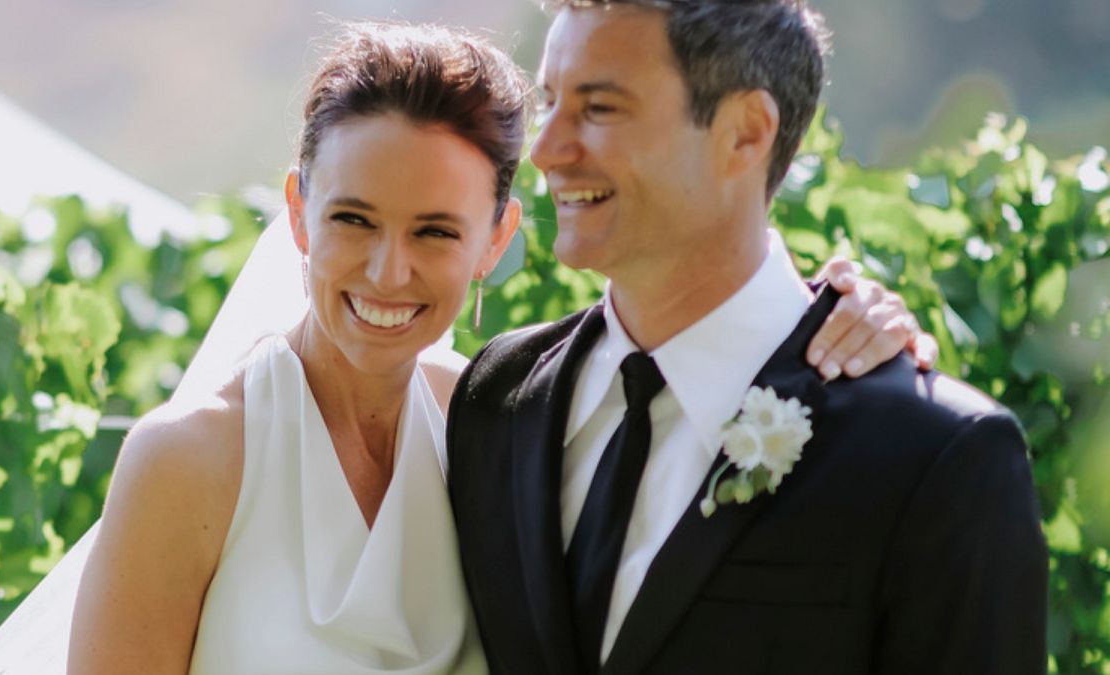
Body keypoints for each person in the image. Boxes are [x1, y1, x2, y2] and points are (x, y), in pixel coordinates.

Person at [65, 20, 929, 675]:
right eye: (351, 218)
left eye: (435, 231)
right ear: (297, 210)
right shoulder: (188, 461)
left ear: (496, 237)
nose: (387, 270)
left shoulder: (498, 422)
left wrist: (857, 322)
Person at [446, 1, 1048, 674]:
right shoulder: (495, 397)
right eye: (550, 101)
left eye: (599, 109)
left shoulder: (941, 457)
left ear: (745, 133)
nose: (547, 149)